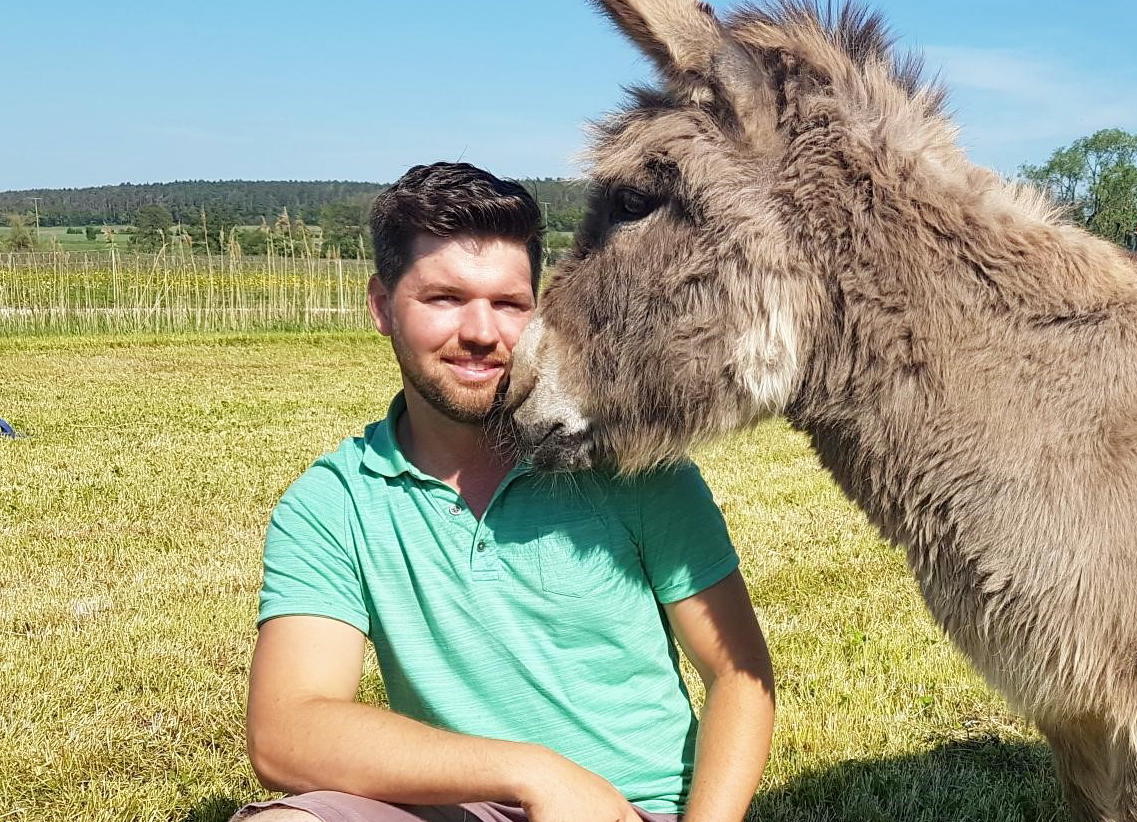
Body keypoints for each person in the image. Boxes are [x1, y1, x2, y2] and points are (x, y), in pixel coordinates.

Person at [232, 162, 775, 822]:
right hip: (458, 807)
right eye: (444, 299)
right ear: (381, 305)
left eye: (510, 304)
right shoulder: (335, 505)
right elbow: (287, 731)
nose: (482, 333)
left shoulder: (631, 469)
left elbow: (738, 675)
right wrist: (531, 773)